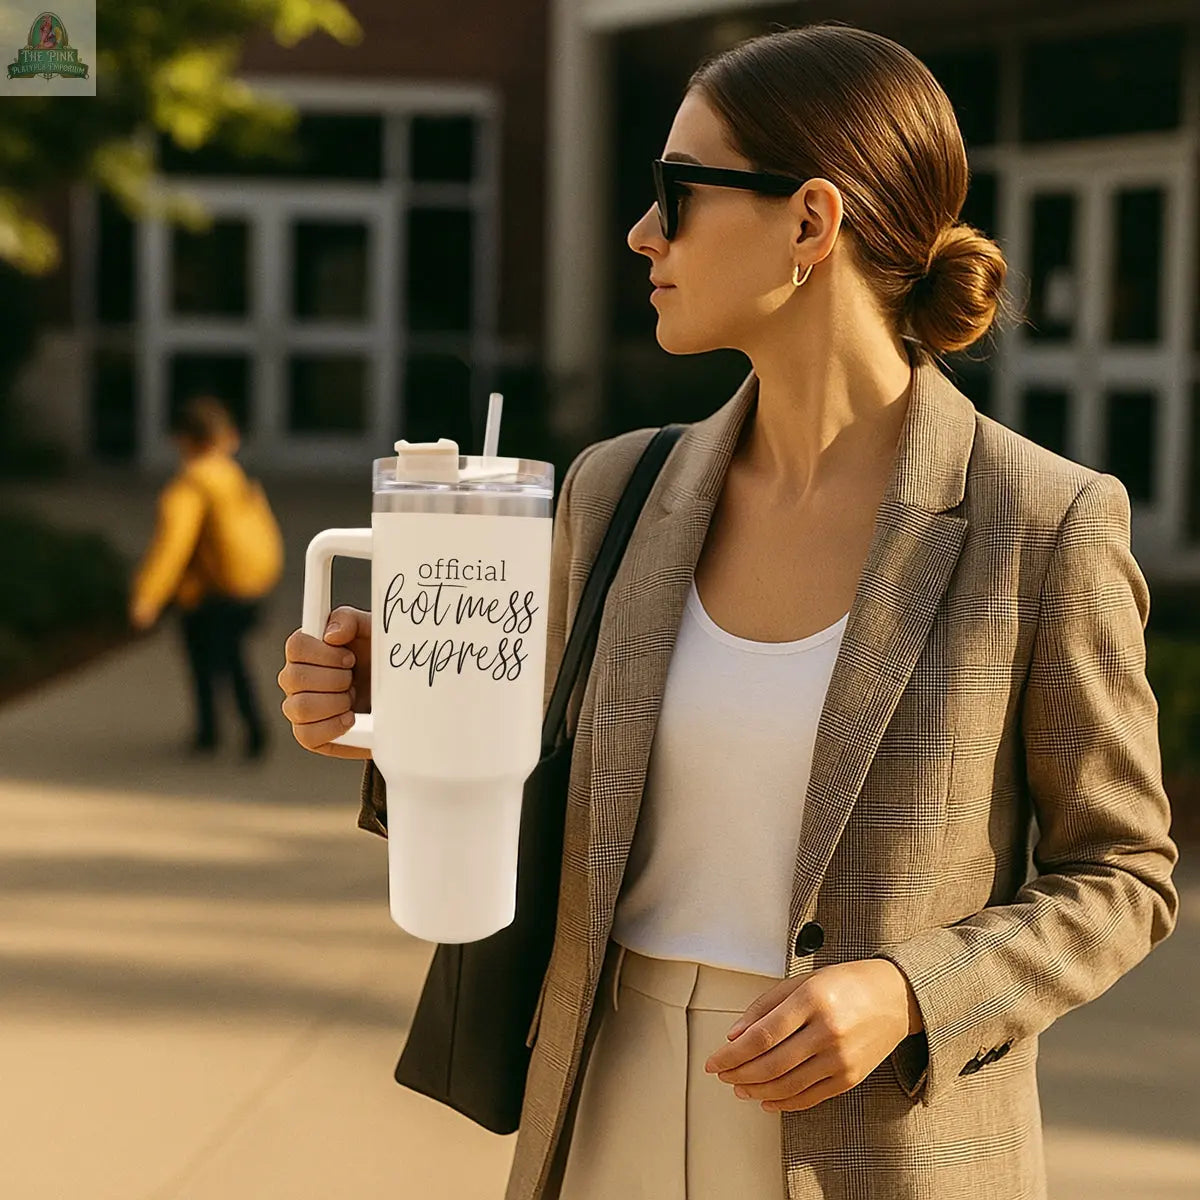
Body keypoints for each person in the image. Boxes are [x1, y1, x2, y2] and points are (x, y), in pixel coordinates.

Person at [276, 21, 1179, 1200]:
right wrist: (400, 710)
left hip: (882, 1137)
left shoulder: (1042, 522)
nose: (643, 232)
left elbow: (1123, 876)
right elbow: (545, 788)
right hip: (606, 1100)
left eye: (678, 192)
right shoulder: (618, 490)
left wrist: (913, 992)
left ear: (811, 221)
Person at [130, 395, 282, 760]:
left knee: (206, 662)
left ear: (182, 439)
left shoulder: (190, 486)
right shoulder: (234, 478)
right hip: (248, 588)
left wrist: (148, 596)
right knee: (232, 660)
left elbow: (173, 545)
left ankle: (215, 732)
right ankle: (245, 730)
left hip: (210, 594)